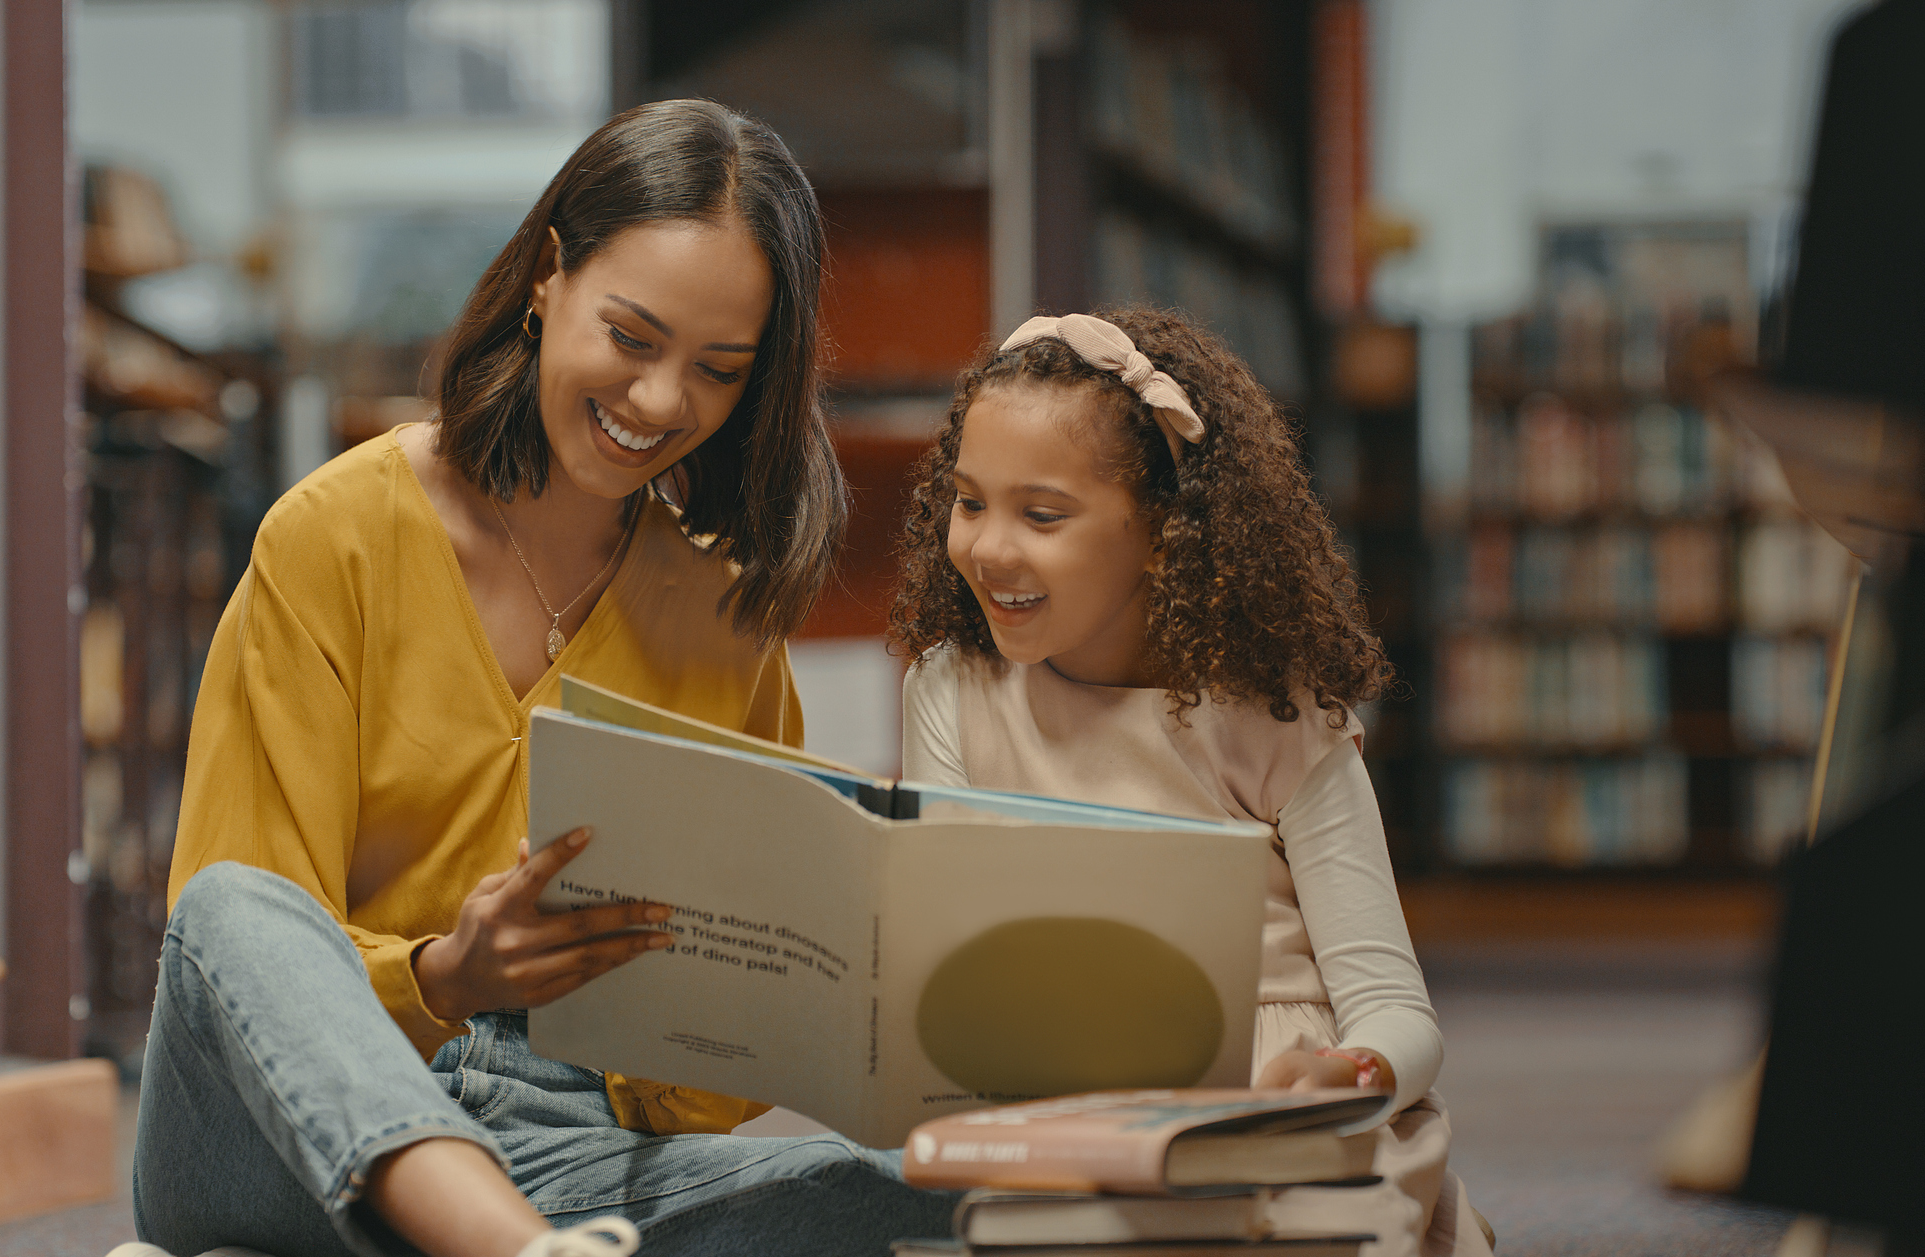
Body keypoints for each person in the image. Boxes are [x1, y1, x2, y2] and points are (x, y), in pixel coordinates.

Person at [130, 99, 957, 1257]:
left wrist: (771, 1015)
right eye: (630, 337)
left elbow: (705, 1091)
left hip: (571, 1152)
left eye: (718, 370)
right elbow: (235, 971)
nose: (662, 403)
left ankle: (492, 1240)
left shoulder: (725, 621)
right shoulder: (334, 536)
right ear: (548, 275)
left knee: (899, 1185)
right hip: (280, 1139)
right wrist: (444, 977)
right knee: (231, 906)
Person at [888, 307, 1490, 1257]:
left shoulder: (1274, 713)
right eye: (968, 502)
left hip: (1276, 1113)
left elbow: (1396, 1009)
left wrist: (1356, 1072)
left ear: (1165, 533)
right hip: (1065, 1108)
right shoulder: (951, 693)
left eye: (1041, 514)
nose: (990, 549)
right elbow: (952, 963)